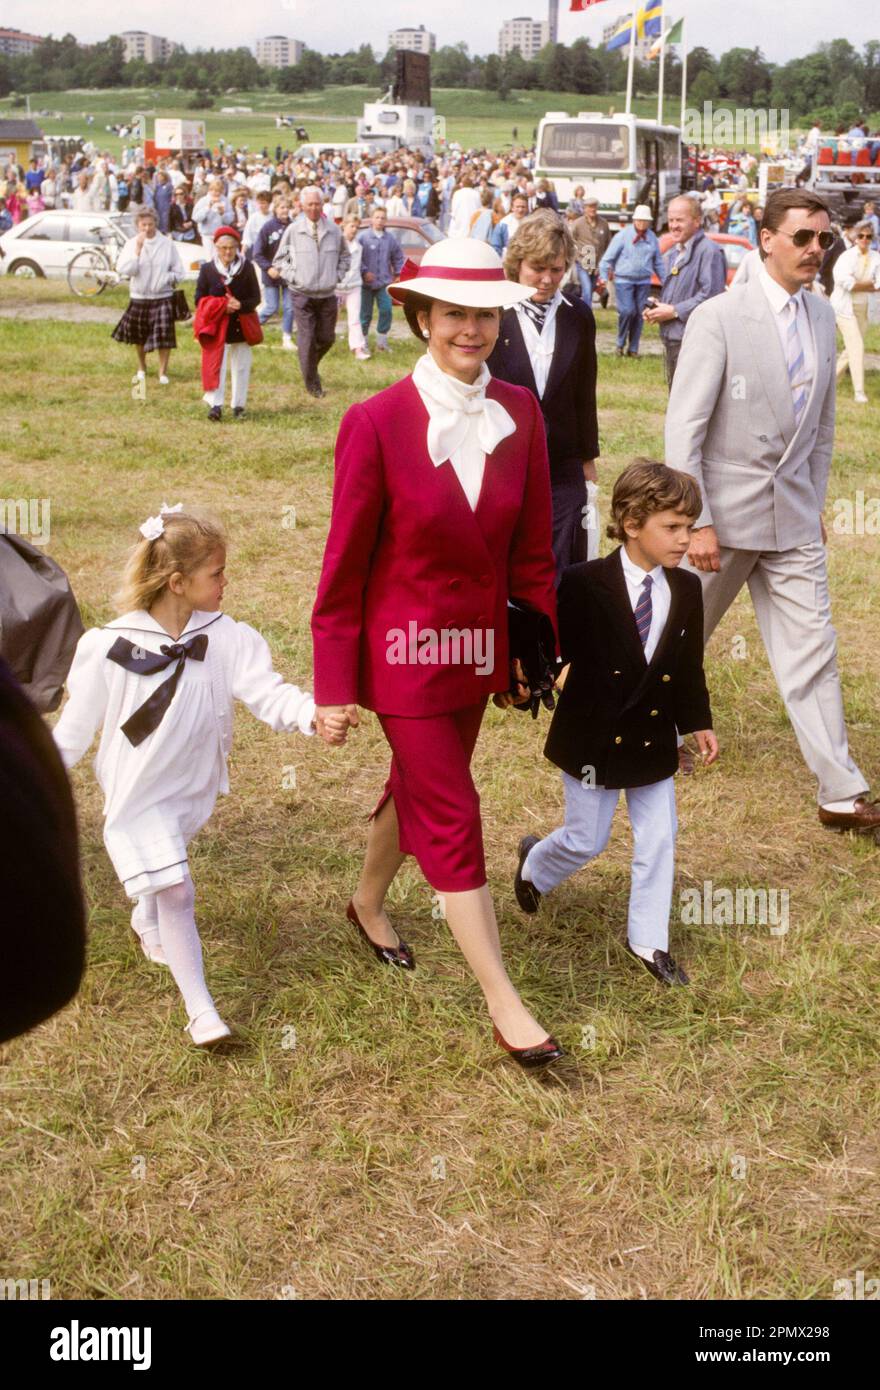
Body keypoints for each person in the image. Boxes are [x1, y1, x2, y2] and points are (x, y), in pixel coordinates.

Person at [310, 237, 564, 1069]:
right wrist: (331, 685)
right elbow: (343, 567)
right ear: (420, 318)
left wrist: (535, 645)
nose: (473, 328)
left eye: (486, 313)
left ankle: (366, 902)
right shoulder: (374, 421)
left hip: (479, 652)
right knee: (454, 810)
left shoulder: (522, 412)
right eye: (455, 313)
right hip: (404, 659)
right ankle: (505, 1000)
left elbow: (532, 552)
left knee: (418, 787)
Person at [53, 506, 338, 1048]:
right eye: (217, 574)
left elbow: (266, 691)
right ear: (178, 582)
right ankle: (202, 1013)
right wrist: (28, 776)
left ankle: (146, 916)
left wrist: (311, 714)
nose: (227, 582)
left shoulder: (226, 637)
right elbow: (71, 733)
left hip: (191, 785)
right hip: (136, 792)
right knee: (177, 889)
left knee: (167, 866)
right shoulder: (107, 647)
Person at [665, 188, 880, 835]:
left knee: (812, 649)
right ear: (765, 239)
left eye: (823, 240)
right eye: (803, 238)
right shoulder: (718, 317)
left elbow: (820, 429)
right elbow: (685, 428)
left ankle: (840, 791)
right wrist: (693, 519)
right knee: (677, 634)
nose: (816, 249)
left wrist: (812, 500)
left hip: (792, 522)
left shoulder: (820, 316)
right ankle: (640, 733)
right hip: (719, 523)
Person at [515, 460, 717, 986]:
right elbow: (551, 647)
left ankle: (648, 941)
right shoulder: (583, 583)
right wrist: (542, 676)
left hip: (654, 737)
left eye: (689, 527)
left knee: (660, 835)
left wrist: (698, 722)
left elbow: (686, 665)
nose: (684, 539)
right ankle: (535, 865)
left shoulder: (687, 591)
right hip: (592, 738)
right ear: (632, 524)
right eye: (672, 527)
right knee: (588, 839)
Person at [488, 210, 599, 582]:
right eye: (538, 268)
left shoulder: (578, 316)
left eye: (557, 269)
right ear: (517, 263)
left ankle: (553, 631)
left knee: (561, 557)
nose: (548, 279)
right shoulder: (493, 314)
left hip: (562, 460)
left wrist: (587, 459)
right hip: (503, 456)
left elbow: (585, 391)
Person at [274, 186, 350, 398]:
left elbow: (345, 257)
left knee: (327, 338)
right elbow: (282, 259)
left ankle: (307, 365)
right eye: (310, 204)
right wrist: (294, 277)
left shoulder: (334, 231)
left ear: (322, 205)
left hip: (327, 294)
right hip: (302, 294)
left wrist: (337, 276)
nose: (314, 208)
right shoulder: (294, 231)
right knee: (306, 340)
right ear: (302, 206)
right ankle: (313, 385)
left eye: (317, 204)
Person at [644, 194, 727, 388]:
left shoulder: (709, 252)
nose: (673, 225)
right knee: (676, 401)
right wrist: (656, 308)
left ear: (697, 221)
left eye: (679, 220)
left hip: (695, 343)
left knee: (689, 406)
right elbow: (676, 293)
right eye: (671, 220)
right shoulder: (675, 252)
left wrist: (673, 311)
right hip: (674, 340)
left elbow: (711, 297)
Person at [195, 226, 261, 422]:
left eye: (231, 247)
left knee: (241, 366)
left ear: (237, 247)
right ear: (216, 247)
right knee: (218, 365)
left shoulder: (246, 267)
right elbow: (199, 299)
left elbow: (255, 297)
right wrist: (221, 306)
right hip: (218, 326)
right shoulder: (208, 269)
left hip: (241, 325)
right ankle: (216, 405)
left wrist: (240, 305)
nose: (227, 252)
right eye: (223, 247)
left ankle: (239, 405)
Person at [111, 208, 184, 387]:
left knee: (164, 337)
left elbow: (179, 271)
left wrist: (167, 278)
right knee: (140, 336)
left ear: (155, 224)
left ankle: (162, 372)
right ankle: (142, 367)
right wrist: (137, 249)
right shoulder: (131, 244)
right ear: (137, 226)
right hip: (140, 296)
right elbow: (125, 270)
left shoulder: (167, 243)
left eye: (150, 224)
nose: (147, 228)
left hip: (162, 295)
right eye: (143, 225)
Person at [599, 205, 665, 357]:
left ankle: (633, 348)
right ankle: (620, 344)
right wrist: (603, 278)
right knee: (627, 311)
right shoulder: (622, 236)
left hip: (643, 281)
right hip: (624, 280)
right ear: (634, 220)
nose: (642, 224)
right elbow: (607, 260)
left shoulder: (652, 238)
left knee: (639, 315)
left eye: (645, 221)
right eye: (639, 220)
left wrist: (666, 281)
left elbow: (658, 262)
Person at [831, 220, 880, 404]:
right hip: (844, 309)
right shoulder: (846, 257)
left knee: (850, 349)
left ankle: (830, 382)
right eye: (861, 236)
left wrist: (866, 285)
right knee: (857, 346)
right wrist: (870, 285)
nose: (865, 240)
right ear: (855, 237)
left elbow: (878, 283)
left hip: (864, 308)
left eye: (869, 237)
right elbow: (848, 285)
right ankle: (859, 392)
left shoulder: (876, 257)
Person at [358, 205, 405, 352]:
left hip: (384, 282)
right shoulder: (363, 238)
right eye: (377, 217)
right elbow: (356, 258)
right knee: (365, 314)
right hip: (365, 284)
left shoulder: (390, 239)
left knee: (386, 310)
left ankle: (382, 343)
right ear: (372, 219)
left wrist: (398, 273)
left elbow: (398, 257)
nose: (379, 220)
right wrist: (364, 272)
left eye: (382, 218)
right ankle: (363, 342)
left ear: (386, 221)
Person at [254, 196, 294, 350]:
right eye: (281, 207)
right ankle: (250, 328)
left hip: (289, 274)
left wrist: (286, 268)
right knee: (271, 307)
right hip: (271, 274)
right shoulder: (267, 227)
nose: (284, 210)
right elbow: (257, 253)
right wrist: (268, 268)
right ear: (275, 209)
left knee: (290, 307)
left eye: (286, 207)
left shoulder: (294, 227)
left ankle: (287, 337)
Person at [337, 214, 370, 361]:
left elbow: (356, 268)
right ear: (344, 225)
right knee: (331, 317)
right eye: (352, 226)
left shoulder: (359, 246)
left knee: (354, 319)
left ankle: (358, 348)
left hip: (354, 286)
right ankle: (321, 343)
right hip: (336, 287)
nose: (354, 230)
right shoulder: (335, 243)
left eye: (357, 227)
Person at [570, 196, 612, 305]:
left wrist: (606, 263)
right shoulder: (578, 223)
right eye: (589, 207)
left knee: (591, 289)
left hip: (597, 264)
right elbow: (570, 240)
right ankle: (587, 316)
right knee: (587, 290)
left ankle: (582, 311)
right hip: (583, 263)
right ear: (585, 208)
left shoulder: (603, 223)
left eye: (594, 207)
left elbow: (608, 243)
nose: (592, 209)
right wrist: (575, 256)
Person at [490, 191, 529, 256]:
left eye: (523, 207)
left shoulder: (532, 223)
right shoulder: (503, 224)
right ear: (512, 208)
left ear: (527, 208)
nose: (520, 210)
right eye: (517, 207)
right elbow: (496, 247)